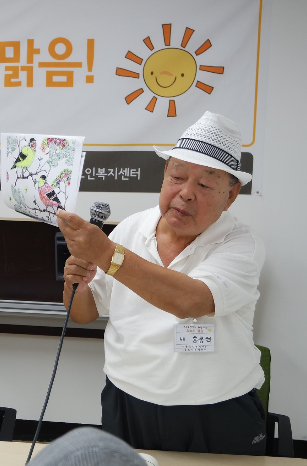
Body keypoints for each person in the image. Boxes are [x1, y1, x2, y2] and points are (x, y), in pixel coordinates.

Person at [57, 111, 267, 455]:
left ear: (231, 195)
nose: (185, 193)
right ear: (164, 175)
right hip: (126, 399)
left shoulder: (241, 244)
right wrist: (76, 285)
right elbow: (84, 313)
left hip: (214, 408)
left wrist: (107, 254)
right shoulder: (131, 228)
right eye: (177, 177)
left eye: (204, 185)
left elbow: (192, 301)